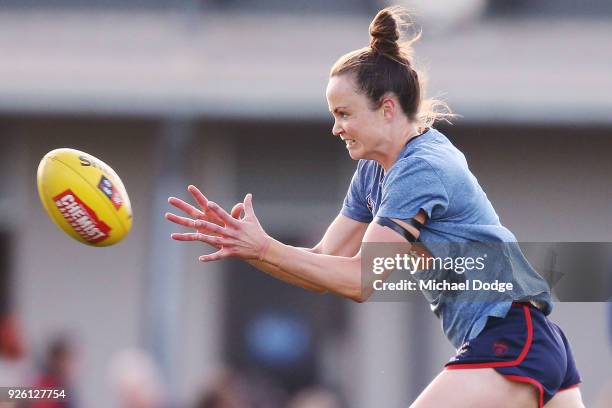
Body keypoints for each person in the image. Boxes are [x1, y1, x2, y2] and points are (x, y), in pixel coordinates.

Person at [165, 7, 584, 407]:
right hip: (530, 340)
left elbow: (361, 280)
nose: (336, 127)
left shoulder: (422, 167)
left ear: (386, 108)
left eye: (344, 113)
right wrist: (249, 245)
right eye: (334, 114)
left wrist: (265, 249)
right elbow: (324, 265)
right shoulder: (373, 173)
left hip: (513, 337)